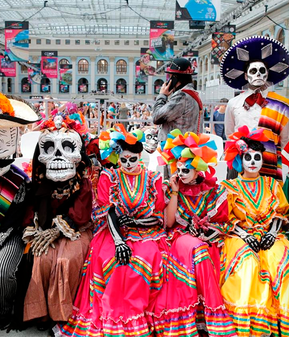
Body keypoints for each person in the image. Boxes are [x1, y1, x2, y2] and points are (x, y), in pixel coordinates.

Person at [58, 125, 167, 336]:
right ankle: (114, 319)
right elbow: (108, 210)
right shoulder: (110, 176)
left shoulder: (153, 179)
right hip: (112, 231)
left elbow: (158, 216)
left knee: (147, 257)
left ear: (140, 156)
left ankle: (136, 318)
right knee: (113, 261)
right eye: (123, 160)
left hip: (146, 232)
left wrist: (136, 223)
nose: (127, 164)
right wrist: (119, 242)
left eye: (132, 160)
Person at [218, 127, 289, 336]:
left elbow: (279, 214)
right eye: (248, 157)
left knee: (284, 263)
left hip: (269, 235)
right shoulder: (228, 186)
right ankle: (253, 327)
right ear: (240, 159)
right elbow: (226, 218)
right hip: (239, 237)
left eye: (257, 157)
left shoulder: (272, 184)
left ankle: (286, 326)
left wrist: (272, 233)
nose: (253, 161)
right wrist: (245, 236)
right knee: (247, 266)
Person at [154, 130, 236, 336]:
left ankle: (204, 315)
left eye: (186, 170)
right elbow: (169, 222)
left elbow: (221, 221)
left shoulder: (213, 190)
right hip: (180, 237)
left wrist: (207, 232)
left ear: (199, 169)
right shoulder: (172, 187)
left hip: (207, 238)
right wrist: (173, 191)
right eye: (179, 170)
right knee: (198, 249)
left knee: (211, 251)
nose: (181, 175)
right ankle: (214, 315)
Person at [22, 114, 93, 330]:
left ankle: (63, 313)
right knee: (41, 260)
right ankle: (42, 314)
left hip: (76, 230)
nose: (58, 157)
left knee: (67, 260)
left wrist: (56, 231)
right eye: (51, 148)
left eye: (68, 148)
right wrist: (38, 231)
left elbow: (80, 215)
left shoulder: (83, 184)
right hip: (45, 229)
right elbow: (31, 210)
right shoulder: (39, 184)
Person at [222, 35, 289, 180]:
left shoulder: (280, 105)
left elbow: (284, 137)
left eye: (262, 71)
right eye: (253, 71)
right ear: (246, 76)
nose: (258, 74)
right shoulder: (233, 103)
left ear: (267, 75)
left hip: (269, 159)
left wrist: (269, 149)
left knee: (268, 199)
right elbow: (230, 133)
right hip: (240, 160)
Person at [0, 94, 38, 328]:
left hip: (9, 234)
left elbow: (17, 219)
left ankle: (3, 312)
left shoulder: (20, 180)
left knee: (3, 272)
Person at [152, 57, 204, 144]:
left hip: (175, 149)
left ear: (175, 78)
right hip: (188, 147)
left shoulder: (181, 96)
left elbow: (157, 117)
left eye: (170, 77)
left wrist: (162, 95)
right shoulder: (194, 94)